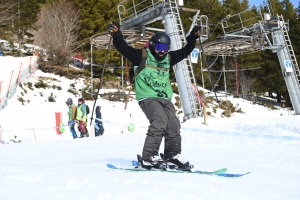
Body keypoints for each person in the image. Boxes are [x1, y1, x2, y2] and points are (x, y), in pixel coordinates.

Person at [107, 21, 202, 170]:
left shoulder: (168, 59)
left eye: (165, 48)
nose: (162, 52)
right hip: (147, 97)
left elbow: (185, 51)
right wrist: (117, 34)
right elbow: (123, 48)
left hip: (164, 97)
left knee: (173, 124)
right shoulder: (141, 56)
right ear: (152, 45)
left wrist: (193, 37)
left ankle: (172, 156)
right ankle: (149, 156)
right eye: (159, 47)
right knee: (160, 121)